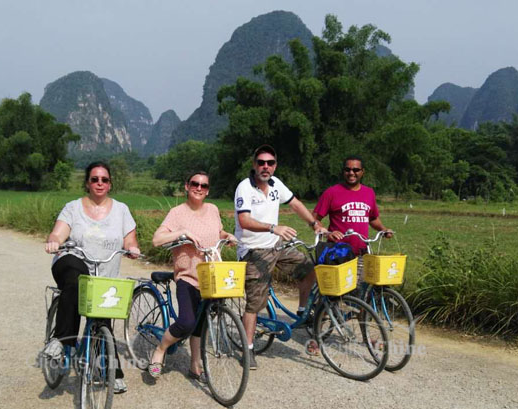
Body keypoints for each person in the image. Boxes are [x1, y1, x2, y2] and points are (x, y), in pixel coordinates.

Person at [44, 161, 140, 394]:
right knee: (77, 278)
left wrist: (132, 248)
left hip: (103, 273)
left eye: (104, 180)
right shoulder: (73, 208)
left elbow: (130, 239)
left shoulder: (121, 210)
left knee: (102, 322)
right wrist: (55, 239)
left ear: (110, 184)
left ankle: (111, 370)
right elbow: (59, 231)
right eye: (94, 179)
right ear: (87, 183)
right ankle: (62, 340)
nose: (99, 183)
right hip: (70, 262)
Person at [234, 145, 327, 369]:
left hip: (276, 246)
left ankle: (303, 311)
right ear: (254, 164)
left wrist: (315, 225)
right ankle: (247, 348)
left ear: (275, 165)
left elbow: (295, 204)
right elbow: (244, 221)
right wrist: (272, 228)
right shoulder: (245, 187)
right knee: (255, 304)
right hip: (253, 250)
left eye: (270, 163)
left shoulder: (276, 184)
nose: (266, 167)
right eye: (261, 162)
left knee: (309, 268)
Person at [148, 171, 237, 382]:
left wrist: (227, 236)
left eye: (204, 185)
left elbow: (219, 232)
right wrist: (183, 232)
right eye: (195, 184)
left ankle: (195, 365)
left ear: (208, 190)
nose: (199, 188)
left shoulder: (213, 210)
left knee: (201, 322)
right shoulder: (177, 213)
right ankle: (160, 349)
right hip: (188, 276)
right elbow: (157, 239)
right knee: (187, 322)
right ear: (187, 186)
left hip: (212, 276)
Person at [312, 154, 393, 267]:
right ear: (343, 171)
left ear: (362, 172)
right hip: (337, 252)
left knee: (361, 282)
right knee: (338, 284)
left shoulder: (369, 193)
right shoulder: (331, 192)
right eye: (347, 169)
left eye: (356, 170)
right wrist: (327, 233)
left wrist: (384, 230)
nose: (351, 173)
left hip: (362, 252)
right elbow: (314, 219)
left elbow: (373, 219)